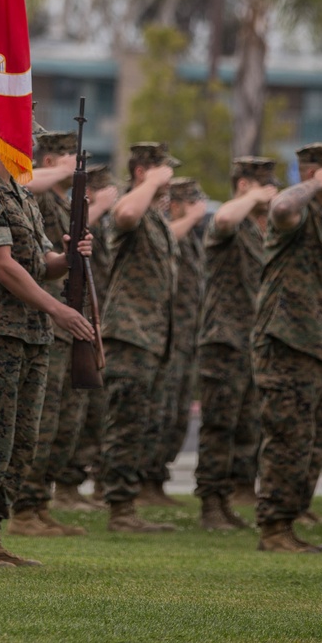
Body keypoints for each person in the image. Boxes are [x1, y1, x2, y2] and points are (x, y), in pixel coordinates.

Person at [0, 142, 95, 568]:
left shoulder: (20, 192)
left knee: (20, 443)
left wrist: (67, 258)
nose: (28, 145)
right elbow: (1, 264)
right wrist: (56, 307)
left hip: (29, 334)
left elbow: (39, 264)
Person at [253, 142, 322, 553]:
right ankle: (274, 529)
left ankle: (288, 522)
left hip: (319, 346)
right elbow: (280, 209)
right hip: (287, 342)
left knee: (310, 442)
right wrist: (311, 184)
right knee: (288, 438)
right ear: (317, 173)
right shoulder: (296, 211)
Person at [10, 130, 93, 539]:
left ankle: (37, 503)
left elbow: (47, 261)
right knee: (33, 425)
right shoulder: (25, 187)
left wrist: (71, 254)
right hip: (21, 318)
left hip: (47, 322)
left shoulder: (38, 198)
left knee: (53, 423)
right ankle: (22, 508)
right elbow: (23, 180)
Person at [98, 141, 179, 534]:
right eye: (166, 170)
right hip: (129, 333)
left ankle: (126, 504)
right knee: (125, 423)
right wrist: (150, 181)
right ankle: (119, 510)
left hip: (150, 335)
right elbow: (125, 212)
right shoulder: (134, 206)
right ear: (144, 172)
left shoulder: (156, 217)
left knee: (139, 423)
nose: (172, 177)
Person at [195, 157, 278, 531]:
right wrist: (254, 196)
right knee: (218, 427)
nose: (272, 190)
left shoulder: (260, 229)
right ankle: (210, 504)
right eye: (264, 184)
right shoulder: (230, 222)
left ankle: (225, 498)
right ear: (244, 185)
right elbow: (224, 218)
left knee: (243, 427)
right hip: (223, 340)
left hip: (250, 341)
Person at [52, 164, 118, 511]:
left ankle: (66, 487)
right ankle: (48, 495)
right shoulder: (51, 204)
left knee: (81, 415)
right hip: (57, 321)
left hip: (88, 320)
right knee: (56, 418)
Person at [142, 176, 206, 506]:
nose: (200, 209)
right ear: (178, 205)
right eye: (192, 203)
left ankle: (157, 479)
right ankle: (145, 481)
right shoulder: (166, 230)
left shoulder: (192, 237)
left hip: (185, 335)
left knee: (177, 414)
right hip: (164, 334)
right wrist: (192, 217)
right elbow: (169, 238)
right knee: (159, 410)